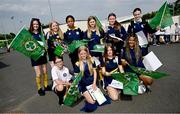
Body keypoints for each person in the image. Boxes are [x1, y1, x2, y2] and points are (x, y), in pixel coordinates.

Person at [29, 18, 51, 96]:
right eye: (34, 24)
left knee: (45, 71)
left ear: (39, 25)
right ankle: (39, 88)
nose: (35, 25)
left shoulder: (41, 33)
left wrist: (46, 46)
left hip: (43, 55)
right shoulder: (29, 34)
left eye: (37, 24)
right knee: (38, 74)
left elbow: (45, 42)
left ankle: (46, 86)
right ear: (32, 25)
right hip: (35, 56)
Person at [74, 46, 98, 112]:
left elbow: (95, 73)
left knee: (99, 100)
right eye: (81, 54)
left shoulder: (91, 60)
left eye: (84, 53)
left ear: (87, 53)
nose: (83, 55)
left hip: (92, 83)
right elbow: (76, 77)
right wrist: (78, 88)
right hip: (83, 85)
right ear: (79, 54)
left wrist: (94, 83)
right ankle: (84, 93)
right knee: (92, 102)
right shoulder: (77, 64)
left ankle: (89, 94)